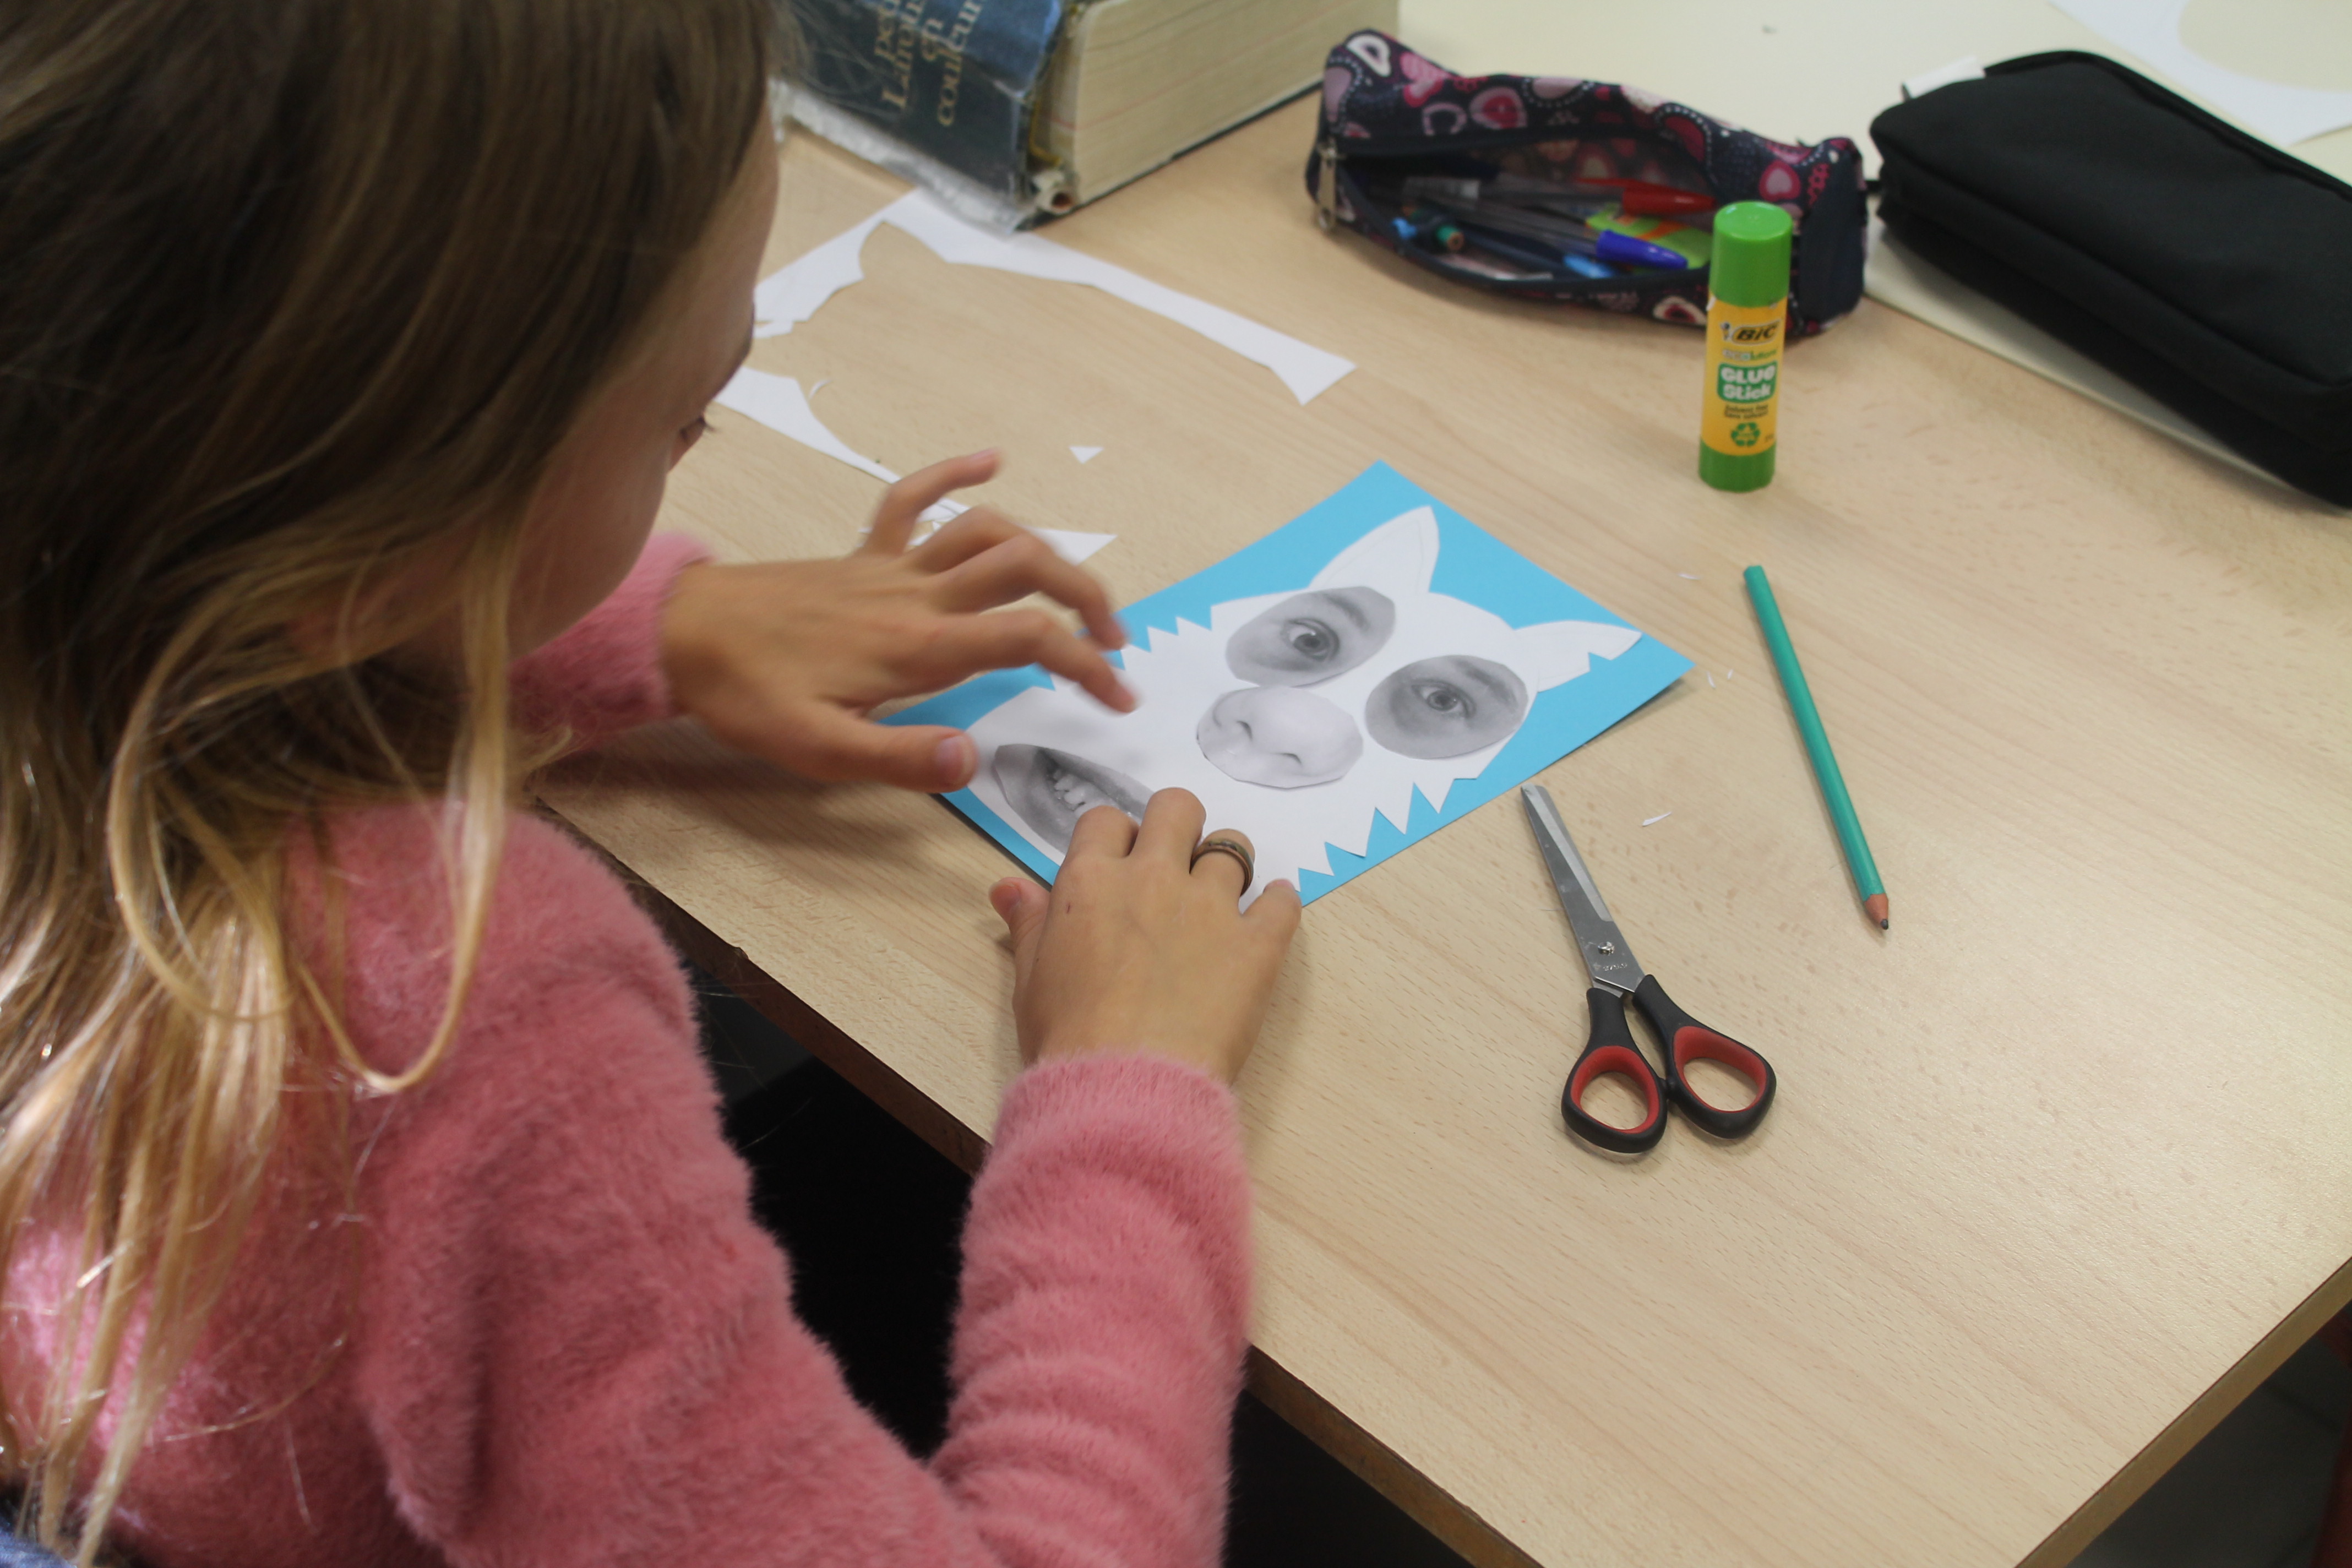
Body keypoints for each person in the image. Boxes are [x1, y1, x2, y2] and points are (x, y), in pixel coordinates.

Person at [0, 2, 1302, 1564]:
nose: (699, 435)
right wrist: (1126, 1087)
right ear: (371, 539)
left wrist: (648, 623)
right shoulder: (460, 1013)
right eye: (684, 413)